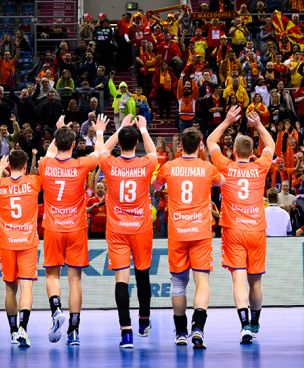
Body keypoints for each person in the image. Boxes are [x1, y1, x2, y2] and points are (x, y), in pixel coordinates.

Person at [152, 128, 226, 349]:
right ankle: (198, 329)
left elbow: (155, 186)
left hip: (177, 233)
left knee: (178, 283)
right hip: (201, 232)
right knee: (201, 282)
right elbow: (222, 182)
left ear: (179, 146)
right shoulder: (207, 168)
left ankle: (181, 332)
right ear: (200, 146)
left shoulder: (169, 167)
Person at [39, 115, 110, 345]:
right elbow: (99, 153)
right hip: (76, 228)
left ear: (55, 143)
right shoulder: (81, 165)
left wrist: (60, 129)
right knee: (75, 281)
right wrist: (98, 131)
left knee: (52, 275)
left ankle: (56, 309)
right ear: (72, 145)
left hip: (52, 228)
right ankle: (74, 330)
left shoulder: (45, 164)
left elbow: (51, 152)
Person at [207, 105, 275, 344]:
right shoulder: (260, 166)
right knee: (255, 281)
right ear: (251, 152)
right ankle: (255, 322)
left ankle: (245, 325)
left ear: (233, 151)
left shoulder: (226, 166)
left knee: (238, 278)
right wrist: (259, 125)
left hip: (234, 230)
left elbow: (210, 141)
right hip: (256, 229)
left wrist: (226, 121)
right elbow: (271, 146)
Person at [95, 113, 158, 348]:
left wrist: (112, 129)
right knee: (143, 274)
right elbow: (152, 152)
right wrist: (143, 129)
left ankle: (126, 332)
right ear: (137, 144)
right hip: (141, 228)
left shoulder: (110, 164)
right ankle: (144, 320)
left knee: (121, 280)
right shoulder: (146, 164)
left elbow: (101, 150)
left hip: (117, 229)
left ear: (120, 144)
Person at [0, 149, 41, 347]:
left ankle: (13, 332)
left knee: (10, 288)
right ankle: (23, 329)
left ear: (9, 165)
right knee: (27, 287)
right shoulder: (34, 182)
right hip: (27, 243)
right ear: (26, 165)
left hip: (7, 244)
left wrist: (1, 167)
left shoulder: (0, 184)